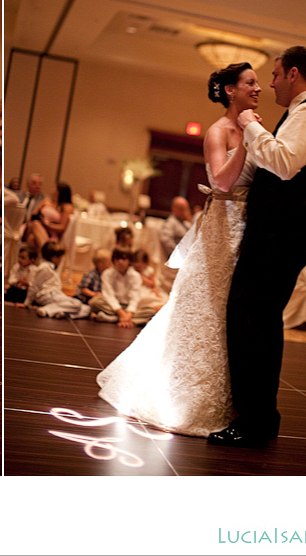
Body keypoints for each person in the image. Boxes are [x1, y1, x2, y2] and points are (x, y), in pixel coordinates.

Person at [97, 61, 260, 437]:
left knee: (231, 310)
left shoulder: (256, 126)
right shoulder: (218, 131)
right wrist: (250, 139)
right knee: (207, 306)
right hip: (223, 225)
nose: (257, 88)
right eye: (250, 82)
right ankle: (185, 393)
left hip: (248, 226)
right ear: (230, 90)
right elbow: (220, 181)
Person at [210, 45, 306, 448]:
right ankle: (258, 418)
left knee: (252, 321)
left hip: (281, 235)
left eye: (276, 74)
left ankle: (254, 420)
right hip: (273, 232)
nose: (269, 82)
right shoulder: (297, 114)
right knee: (256, 322)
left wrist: (249, 125)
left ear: (293, 73)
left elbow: (283, 164)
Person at [19, 241, 91, 319]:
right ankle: (46, 310)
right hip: (48, 294)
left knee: (87, 309)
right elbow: (34, 285)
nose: (61, 260)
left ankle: (63, 314)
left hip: (56, 294)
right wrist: (27, 303)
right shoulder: (44, 268)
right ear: (55, 258)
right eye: (60, 258)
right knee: (76, 304)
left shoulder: (52, 268)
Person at [89, 249, 148, 327]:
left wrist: (128, 314)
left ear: (129, 261)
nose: (120, 262)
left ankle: (113, 319)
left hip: (128, 307)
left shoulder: (135, 276)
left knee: (150, 311)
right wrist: (121, 313)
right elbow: (109, 295)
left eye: (123, 259)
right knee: (95, 302)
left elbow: (135, 297)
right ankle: (131, 320)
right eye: (117, 259)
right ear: (113, 260)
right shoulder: (107, 273)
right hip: (111, 306)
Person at [27, 182, 74, 252]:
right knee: (34, 226)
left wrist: (47, 225)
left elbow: (62, 227)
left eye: (55, 190)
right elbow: (32, 215)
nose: (52, 191)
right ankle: (47, 253)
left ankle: (47, 253)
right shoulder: (47, 201)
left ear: (59, 193)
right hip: (40, 227)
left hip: (51, 232)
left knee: (32, 235)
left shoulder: (66, 207)